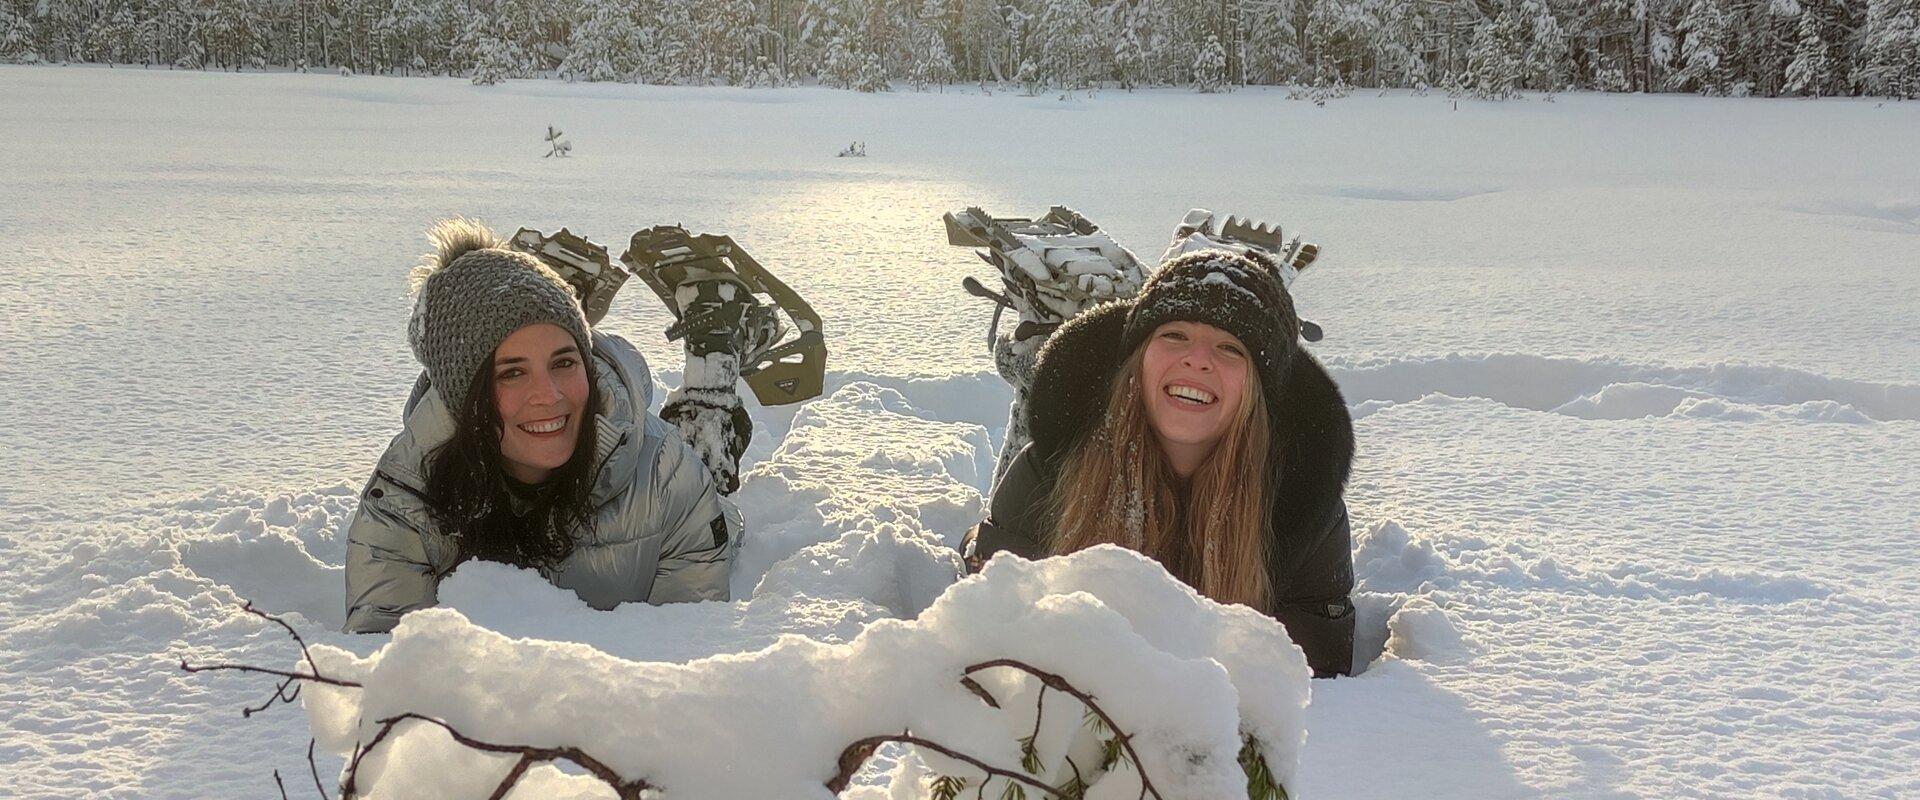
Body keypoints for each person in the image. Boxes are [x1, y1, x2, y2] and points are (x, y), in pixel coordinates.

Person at [964, 249, 1357, 676]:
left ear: (1258, 389)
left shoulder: (1301, 506)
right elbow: (991, 626)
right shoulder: (1051, 471)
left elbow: (1316, 666)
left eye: (1230, 348)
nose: (1198, 359)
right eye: (1174, 335)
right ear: (1138, 360)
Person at [343, 219, 741, 633]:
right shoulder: (403, 504)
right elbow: (389, 671)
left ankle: (713, 367)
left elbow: (691, 653)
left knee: (711, 472)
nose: (550, 395)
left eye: (564, 362)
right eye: (511, 373)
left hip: (661, 473)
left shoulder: (667, 475)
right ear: (465, 397)